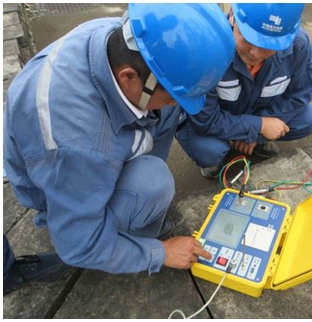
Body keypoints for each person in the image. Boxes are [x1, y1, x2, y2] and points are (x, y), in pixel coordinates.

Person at [3, 3, 234, 292]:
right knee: (154, 181)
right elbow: (77, 247)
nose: (174, 101)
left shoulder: (118, 36)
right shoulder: (80, 145)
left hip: (80, 153)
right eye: (170, 96)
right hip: (58, 179)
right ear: (128, 77)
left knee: (167, 112)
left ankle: (137, 209)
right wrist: (159, 252)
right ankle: (132, 230)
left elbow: (165, 97)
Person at [176, 3, 312, 178]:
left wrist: (255, 135)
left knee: (310, 119)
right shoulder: (206, 49)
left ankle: (254, 142)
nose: (255, 53)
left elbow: (300, 95)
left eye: (268, 46)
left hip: (255, 111)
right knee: (209, 151)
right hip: (216, 118)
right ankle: (217, 155)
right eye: (248, 39)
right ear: (232, 17)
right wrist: (258, 126)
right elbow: (205, 119)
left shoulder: (299, 45)